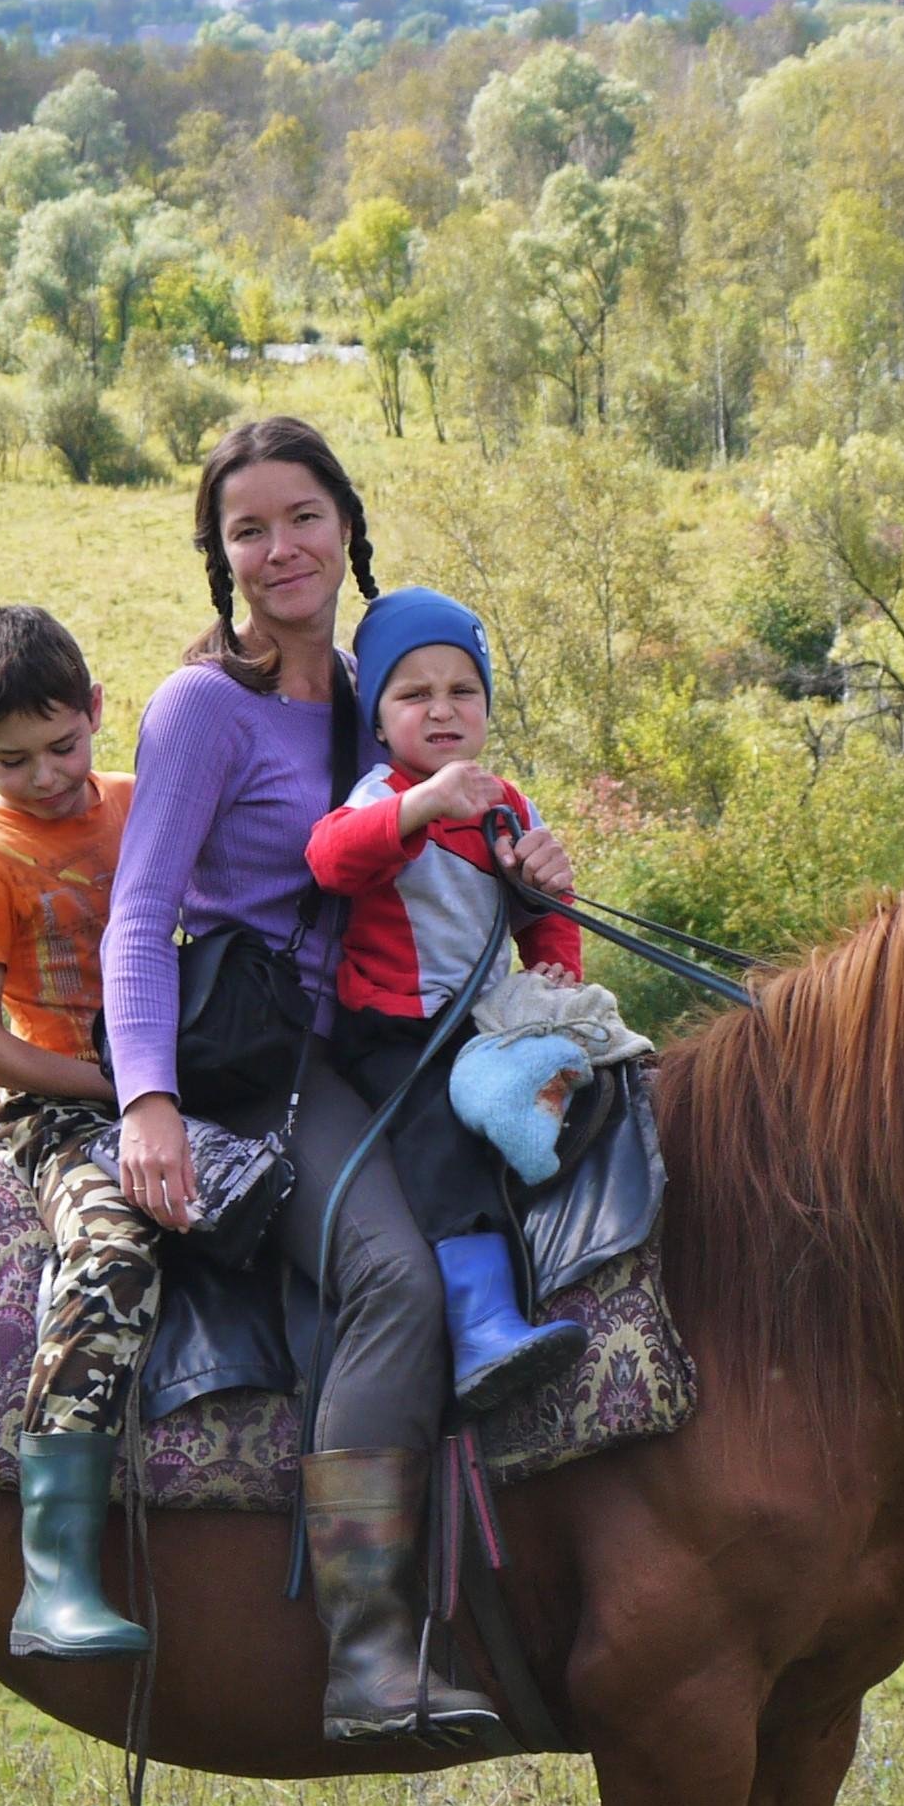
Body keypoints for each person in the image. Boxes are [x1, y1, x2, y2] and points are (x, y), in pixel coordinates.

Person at [105, 418, 576, 1744]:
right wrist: (147, 1101)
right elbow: (138, 920)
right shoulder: (206, 709)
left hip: (383, 1043)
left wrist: (537, 889)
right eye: (248, 529)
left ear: (348, 526)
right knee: (391, 1276)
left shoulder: (389, 690)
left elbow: (455, 853)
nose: (281, 549)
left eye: (303, 517)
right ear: (221, 555)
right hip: (252, 1064)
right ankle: (371, 1652)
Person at [0, 604, 155, 1664]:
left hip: (176, 1078)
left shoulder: (140, 806)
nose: (50, 776)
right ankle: (53, 1568)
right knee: (110, 1253)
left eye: (64, 746)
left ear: (98, 712)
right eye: (14, 760)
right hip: (57, 1099)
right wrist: (104, 1081)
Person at [305, 586, 591, 1407]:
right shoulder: (379, 795)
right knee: (442, 1138)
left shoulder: (506, 803)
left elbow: (541, 922)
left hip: (483, 1024)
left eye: (462, 690)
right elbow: (332, 860)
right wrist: (423, 805)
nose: (441, 710)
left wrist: (553, 958)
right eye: (414, 694)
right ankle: (480, 1327)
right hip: (394, 1032)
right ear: (378, 712)